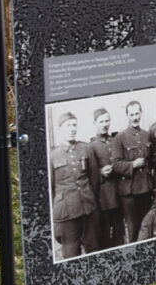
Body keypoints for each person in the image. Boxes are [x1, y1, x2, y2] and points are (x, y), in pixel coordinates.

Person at [50, 112, 99, 260]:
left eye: (74, 125)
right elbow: (51, 188)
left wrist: (91, 199)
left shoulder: (86, 149)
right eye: (68, 125)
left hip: (88, 208)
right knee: (71, 253)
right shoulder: (53, 156)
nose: (72, 129)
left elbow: (94, 178)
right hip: (67, 213)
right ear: (60, 129)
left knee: (94, 248)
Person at [112, 102, 153, 244]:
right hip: (129, 193)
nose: (135, 117)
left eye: (137, 113)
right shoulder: (120, 138)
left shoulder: (147, 135)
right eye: (132, 114)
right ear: (127, 116)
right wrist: (133, 165)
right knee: (134, 230)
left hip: (146, 189)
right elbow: (115, 164)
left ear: (141, 113)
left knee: (146, 227)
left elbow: (151, 160)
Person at [87, 108, 122, 250]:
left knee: (120, 231)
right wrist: (100, 172)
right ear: (94, 123)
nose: (104, 124)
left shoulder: (115, 141)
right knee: (106, 234)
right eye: (101, 121)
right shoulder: (91, 146)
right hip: (104, 198)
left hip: (119, 193)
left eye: (107, 120)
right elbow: (90, 174)